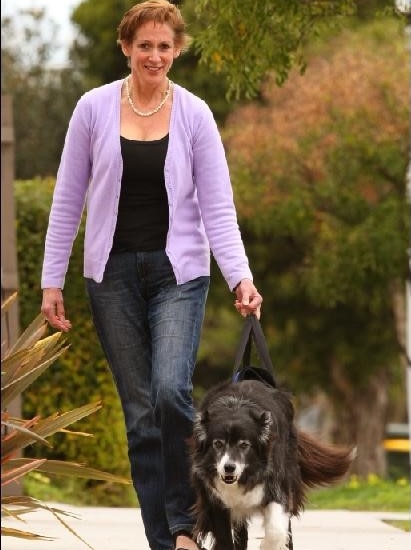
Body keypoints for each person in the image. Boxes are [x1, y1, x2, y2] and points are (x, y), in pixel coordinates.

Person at [41, 1, 262, 549]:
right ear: (126, 48)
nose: (155, 56)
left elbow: (218, 208)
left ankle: (188, 522)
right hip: (109, 275)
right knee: (141, 416)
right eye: (145, 46)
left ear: (177, 49)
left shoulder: (196, 115)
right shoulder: (92, 110)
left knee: (170, 393)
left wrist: (240, 277)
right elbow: (67, 200)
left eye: (165, 46)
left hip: (178, 274)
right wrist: (52, 279)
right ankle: (168, 540)